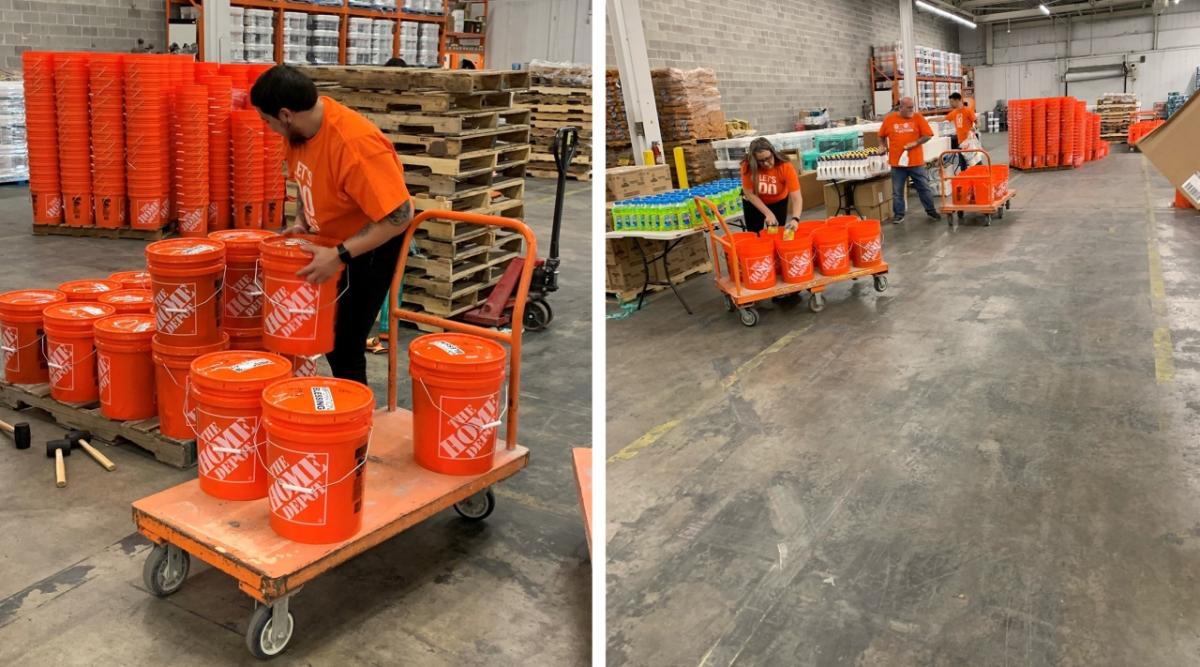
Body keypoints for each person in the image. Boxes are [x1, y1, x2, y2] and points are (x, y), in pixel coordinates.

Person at [250, 65, 414, 386]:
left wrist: (338, 255)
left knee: (345, 344)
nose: (268, 129)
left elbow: (400, 215)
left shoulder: (355, 145)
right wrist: (302, 220)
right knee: (326, 335)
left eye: (267, 122)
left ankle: (352, 430)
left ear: (285, 114)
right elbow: (303, 176)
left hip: (370, 247)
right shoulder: (302, 130)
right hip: (332, 243)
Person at [879, 96, 939, 224]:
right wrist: (882, 146)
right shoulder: (890, 119)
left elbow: (928, 135)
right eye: (909, 107)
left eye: (913, 107)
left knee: (924, 188)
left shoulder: (918, 118)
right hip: (897, 163)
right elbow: (881, 135)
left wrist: (916, 143)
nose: (912, 110)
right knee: (897, 191)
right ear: (900, 108)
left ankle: (931, 210)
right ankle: (899, 214)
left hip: (915, 162)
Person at [739, 137, 803, 234]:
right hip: (754, 203)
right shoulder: (747, 166)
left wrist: (795, 219)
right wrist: (767, 213)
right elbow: (749, 193)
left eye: (768, 158)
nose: (765, 163)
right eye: (760, 161)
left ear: (773, 152)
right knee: (755, 234)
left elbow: (796, 197)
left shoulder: (785, 166)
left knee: (774, 232)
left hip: (778, 202)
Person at [946, 92, 977, 172]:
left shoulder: (968, 110)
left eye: (952, 102)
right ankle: (965, 182)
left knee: (976, 163)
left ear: (958, 100)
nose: (951, 104)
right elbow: (943, 118)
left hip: (970, 143)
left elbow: (978, 122)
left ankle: (981, 180)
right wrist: (929, 120)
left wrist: (974, 128)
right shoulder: (954, 112)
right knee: (963, 166)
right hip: (961, 144)